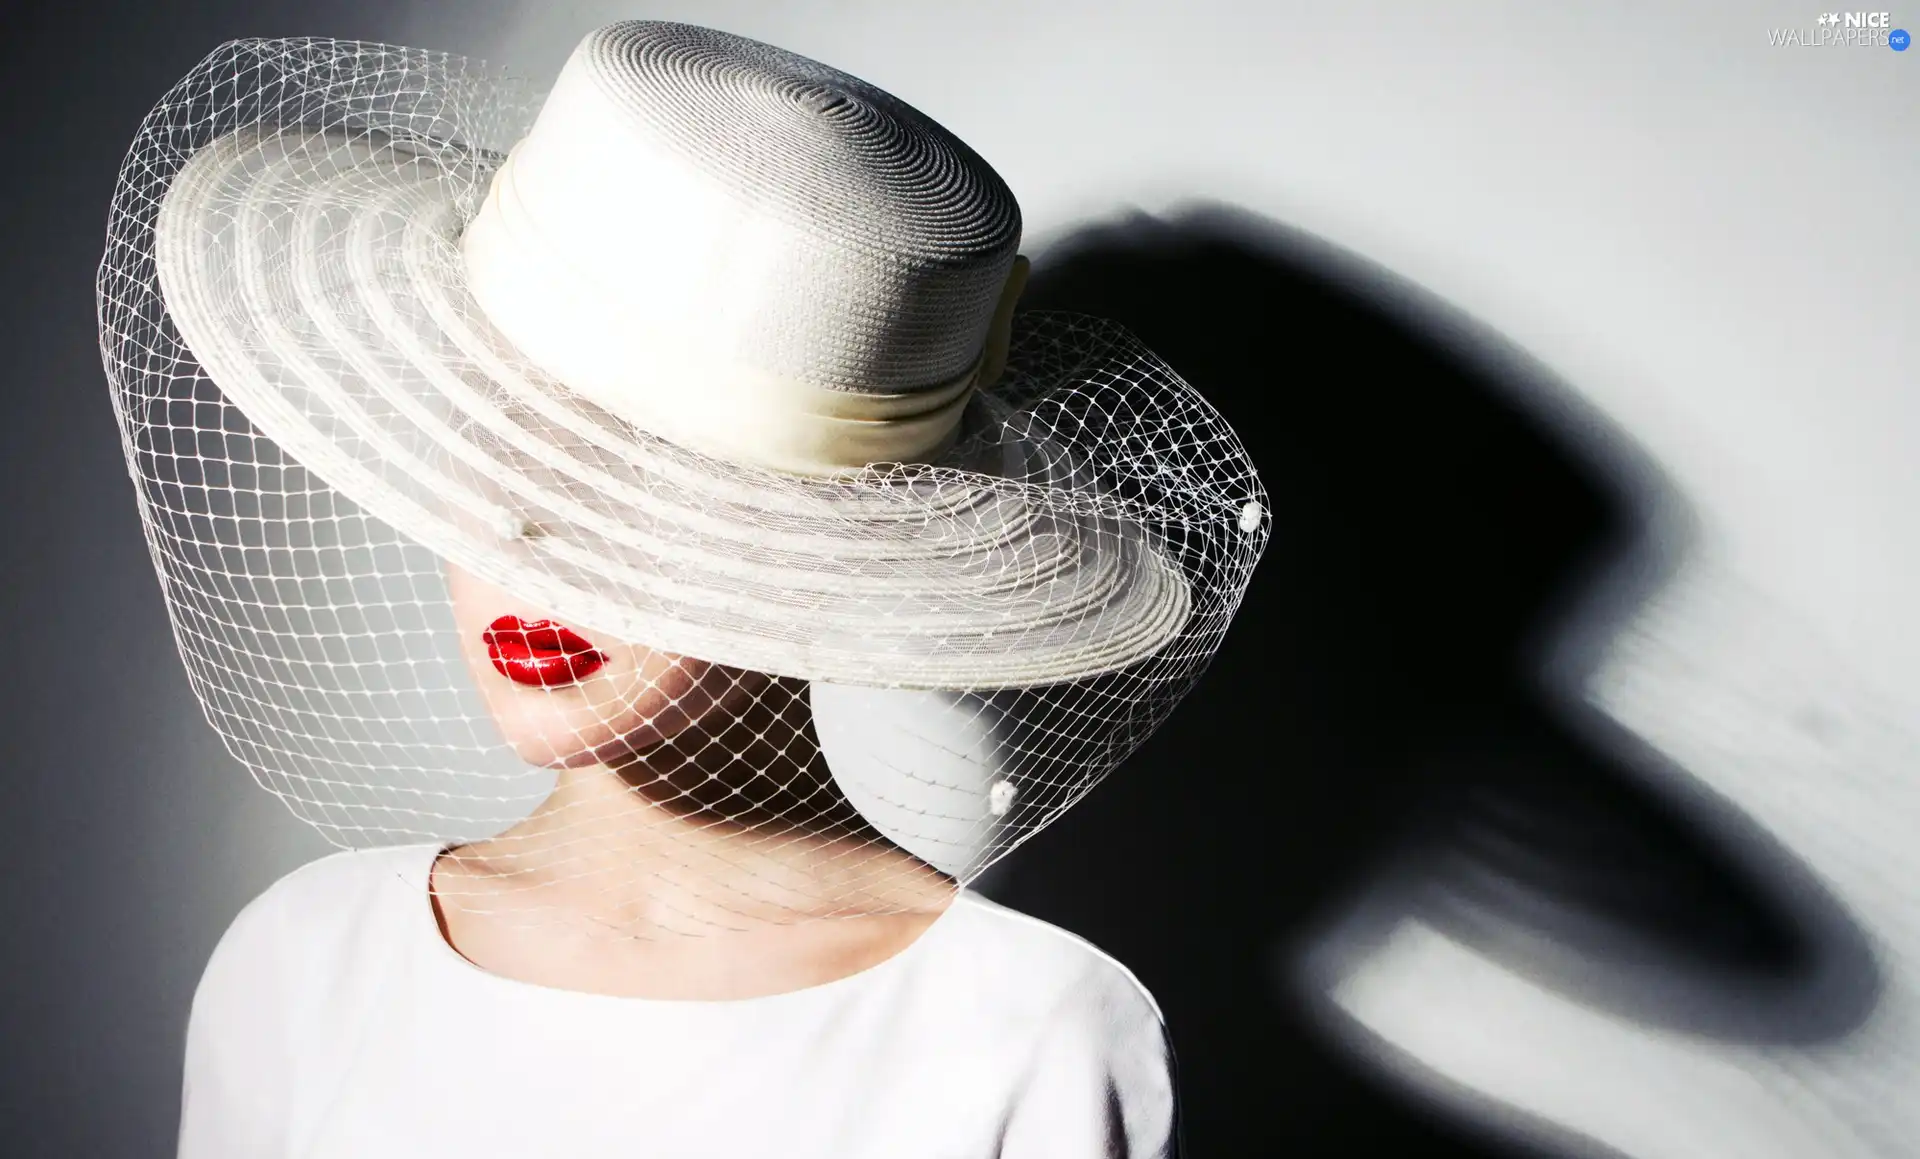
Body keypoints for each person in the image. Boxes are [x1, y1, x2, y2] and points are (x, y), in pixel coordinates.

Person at [97, 20, 1268, 1158]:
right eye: (495, 433)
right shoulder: (305, 960)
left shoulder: (1035, 1028)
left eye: (650, 474)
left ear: (846, 536)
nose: (523, 530)